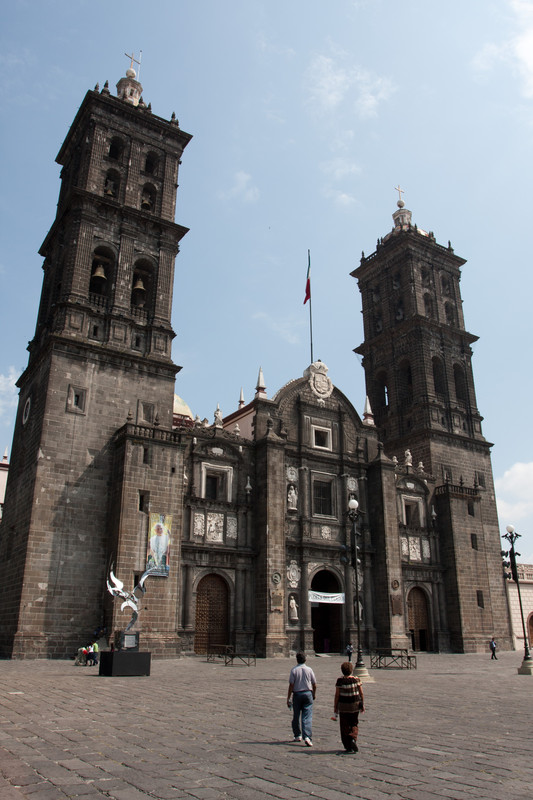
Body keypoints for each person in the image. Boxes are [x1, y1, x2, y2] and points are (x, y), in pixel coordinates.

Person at [333, 661, 365, 753]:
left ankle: (347, 745)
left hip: (343, 706)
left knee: (344, 725)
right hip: (355, 706)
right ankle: (353, 739)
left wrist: (335, 707)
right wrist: (362, 704)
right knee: (354, 723)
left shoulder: (340, 681)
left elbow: (337, 695)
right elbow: (361, 693)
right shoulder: (356, 679)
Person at [287, 651, 317, 747]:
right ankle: (307, 736)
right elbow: (314, 684)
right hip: (308, 693)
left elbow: (291, 685)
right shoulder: (309, 669)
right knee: (307, 716)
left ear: (297, 660)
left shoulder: (294, 670)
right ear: (305, 659)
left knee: (296, 716)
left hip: (297, 694)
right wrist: (314, 694)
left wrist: (288, 697)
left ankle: (297, 735)